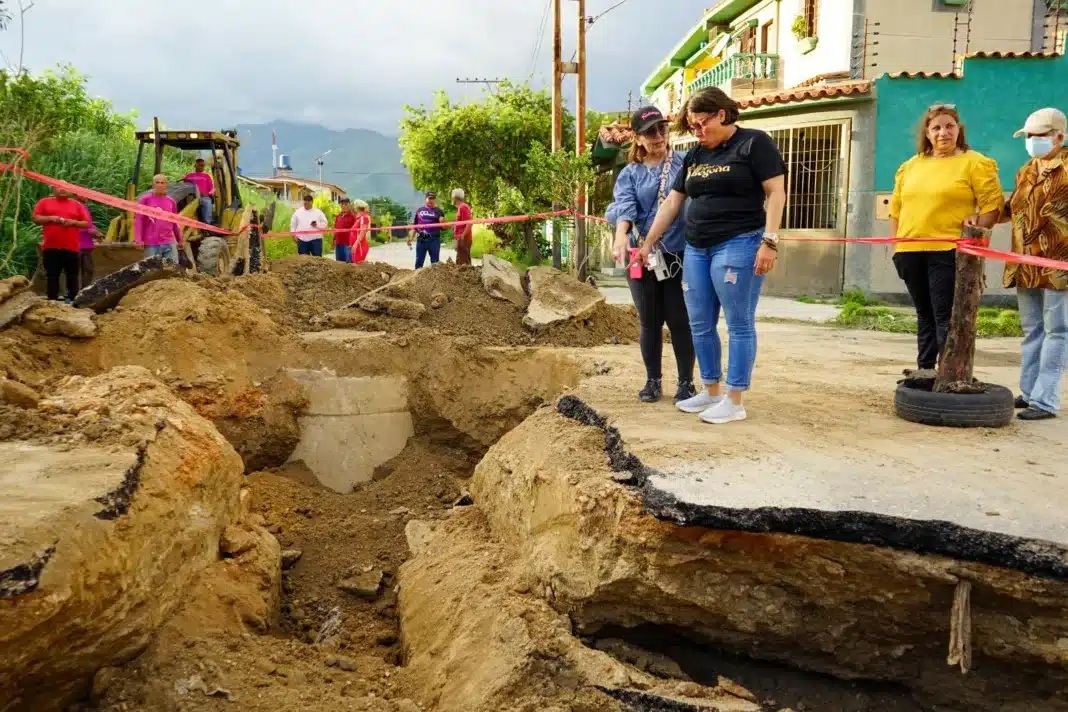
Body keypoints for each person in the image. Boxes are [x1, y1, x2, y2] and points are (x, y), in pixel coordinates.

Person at [641, 87, 786, 425]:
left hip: (739, 242)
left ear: (722, 114)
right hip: (697, 248)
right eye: (692, 126)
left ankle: (735, 399)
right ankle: (711, 389)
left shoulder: (754, 144)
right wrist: (649, 241)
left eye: (702, 124)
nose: (698, 132)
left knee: (738, 322)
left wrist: (770, 241)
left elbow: (776, 192)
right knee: (699, 323)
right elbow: (674, 202)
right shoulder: (694, 156)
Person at [889, 104, 1003, 374]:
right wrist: (897, 248)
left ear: (958, 130)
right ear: (927, 133)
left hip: (948, 251)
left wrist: (977, 227)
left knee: (946, 316)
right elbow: (896, 211)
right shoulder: (910, 166)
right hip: (910, 252)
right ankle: (924, 370)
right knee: (924, 314)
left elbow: (992, 207)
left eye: (949, 126)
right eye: (936, 127)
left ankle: (948, 374)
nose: (943, 132)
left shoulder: (974, 162)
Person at [608, 105, 695, 404]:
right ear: (638, 139)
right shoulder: (630, 174)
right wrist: (621, 235)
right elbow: (625, 208)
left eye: (662, 129)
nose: (658, 136)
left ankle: (686, 383)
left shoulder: (684, 164)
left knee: (680, 320)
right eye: (650, 132)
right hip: (641, 256)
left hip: (677, 254)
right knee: (649, 321)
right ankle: (653, 382)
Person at [1000, 107, 1068, 421]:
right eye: (1029, 136)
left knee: (1058, 331)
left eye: (1040, 135)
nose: (1033, 141)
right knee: (1032, 331)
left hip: (1059, 264)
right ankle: (1028, 393)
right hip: (1025, 263)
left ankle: (1045, 400)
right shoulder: (1027, 170)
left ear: (1060, 137)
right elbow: (1013, 208)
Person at [31, 186, 91, 302]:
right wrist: (51, 218)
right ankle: (52, 300)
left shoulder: (76, 204)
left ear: (70, 190)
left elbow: (86, 223)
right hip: (51, 246)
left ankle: (73, 300)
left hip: (71, 247)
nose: (62, 190)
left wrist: (72, 222)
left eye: (65, 187)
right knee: (52, 275)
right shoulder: (44, 202)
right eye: (59, 187)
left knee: (72, 275)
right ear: (53, 189)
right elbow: (35, 218)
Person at [135, 174, 185, 262]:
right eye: (157, 182)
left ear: (166, 185)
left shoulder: (171, 202)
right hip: (151, 243)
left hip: (169, 243)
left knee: (172, 271)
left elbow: (175, 223)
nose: (160, 185)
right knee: (152, 271)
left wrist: (180, 239)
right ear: (153, 185)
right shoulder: (145, 200)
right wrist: (138, 239)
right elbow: (139, 220)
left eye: (163, 183)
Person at [408, 191, 446, 268]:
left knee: (435, 263)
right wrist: (411, 237)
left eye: (433, 198)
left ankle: (435, 278)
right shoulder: (420, 210)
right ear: (425, 199)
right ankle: (417, 278)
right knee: (419, 262)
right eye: (430, 198)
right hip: (421, 240)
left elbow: (444, 227)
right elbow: (415, 226)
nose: (431, 200)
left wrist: (443, 222)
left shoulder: (439, 211)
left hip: (434, 240)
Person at [75, 194, 103, 289]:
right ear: (76, 194)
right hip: (76, 244)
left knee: (88, 270)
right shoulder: (73, 207)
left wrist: (96, 232)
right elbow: (71, 225)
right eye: (83, 193)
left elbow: (89, 224)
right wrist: (89, 231)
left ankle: (84, 291)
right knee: (75, 271)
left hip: (86, 245)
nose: (86, 196)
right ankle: (73, 293)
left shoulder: (85, 208)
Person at [183, 157, 215, 225]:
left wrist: (208, 194)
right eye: (200, 165)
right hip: (191, 197)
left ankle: (207, 224)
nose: (202, 167)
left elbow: (212, 189)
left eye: (203, 165)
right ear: (195, 165)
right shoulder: (188, 176)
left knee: (207, 202)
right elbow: (183, 186)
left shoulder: (206, 176)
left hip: (203, 197)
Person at [452, 188, 473, 265]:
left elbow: (470, 223)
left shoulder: (463, 207)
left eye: (452, 197)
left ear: (455, 198)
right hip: (461, 239)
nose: (452, 199)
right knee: (460, 261)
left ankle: (469, 277)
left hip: (464, 239)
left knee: (464, 264)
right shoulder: (461, 207)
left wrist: (463, 235)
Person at [333, 197, 357, 263]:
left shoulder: (353, 216)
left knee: (349, 263)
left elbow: (356, 231)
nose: (343, 206)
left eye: (346, 204)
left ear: (349, 205)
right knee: (339, 263)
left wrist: (354, 243)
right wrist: (333, 241)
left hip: (348, 244)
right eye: (342, 204)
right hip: (338, 243)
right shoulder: (338, 216)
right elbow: (336, 229)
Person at [352, 199, 372, 264]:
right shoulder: (359, 218)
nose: (353, 207)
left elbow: (362, 232)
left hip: (360, 246)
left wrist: (355, 244)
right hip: (357, 245)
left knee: (358, 266)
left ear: (357, 207)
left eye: (354, 205)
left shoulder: (364, 217)